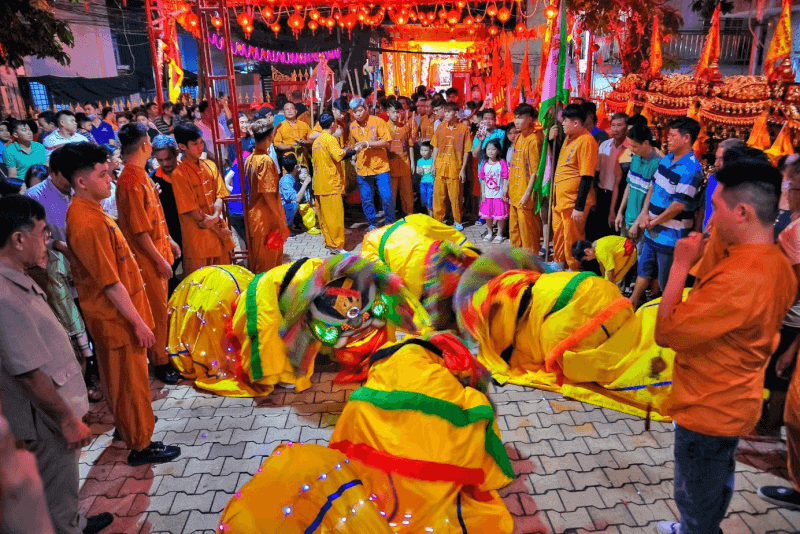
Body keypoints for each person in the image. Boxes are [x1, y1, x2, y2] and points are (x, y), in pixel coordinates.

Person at [654, 160, 795, 534]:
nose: (711, 219)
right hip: (734, 399)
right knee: (713, 481)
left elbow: (667, 332)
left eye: (716, 209)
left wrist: (680, 265)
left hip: (709, 406)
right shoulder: (776, 262)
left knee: (697, 491)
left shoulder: (739, 279)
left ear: (743, 212)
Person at [0, 194, 114, 534]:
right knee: (54, 493)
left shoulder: (20, 277)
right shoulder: (5, 296)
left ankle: (72, 521)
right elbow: (30, 373)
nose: (47, 239)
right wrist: (66, 420)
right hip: (44, 420)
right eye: (41, 232)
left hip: (49, 415)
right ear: (19, 239)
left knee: (63, 487)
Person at [64, 142, 181, 465]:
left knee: (123, 381)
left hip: (117, 316)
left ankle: (127, 430)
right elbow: (110, 282)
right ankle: (140, 445)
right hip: (116, 320)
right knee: (130, 384)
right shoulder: (87, 222)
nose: (109, 181)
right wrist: (139, 323)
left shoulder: (91, 212)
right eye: (102, 175)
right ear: (81, 182)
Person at [115, 124, 182, 385]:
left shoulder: (140, 174)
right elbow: (140, 231)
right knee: (155, 313)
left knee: (161, 309)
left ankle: (162, 353)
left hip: (159, 251)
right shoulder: (131, 181)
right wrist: (159, 259)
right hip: (147, 260)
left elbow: (154, 220)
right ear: (145, 145)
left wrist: (171, 242)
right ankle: (160, 361)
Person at [758, 156, 800, 509]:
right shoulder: (792, 224)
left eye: (792, 186)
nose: (788, 192)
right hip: (784, 319)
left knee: (792, 407)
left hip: (792, 323)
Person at [630, 117, 704, 308]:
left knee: (666, 282)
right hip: (651, 230)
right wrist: (644, 214)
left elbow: (679, 205)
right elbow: (653, 187)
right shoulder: (668, 159)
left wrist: (653, 222)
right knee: (643, 271)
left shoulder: (691, 169)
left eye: (672, 135)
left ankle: (664, 316)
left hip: (671, 236)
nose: (667, 139)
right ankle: (632, 303)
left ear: (686, 138)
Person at [171, 123, 235, 275]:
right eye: (195, 144)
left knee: (225, 281)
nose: (200, 147)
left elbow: (220, 195)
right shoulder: (179, 174)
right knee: (202, 285)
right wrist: (217, 227)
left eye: (201, 143)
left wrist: (214, 217)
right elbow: (192, 211)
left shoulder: (210, 165)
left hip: (218, 233)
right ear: (182, 146)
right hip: (198, 240)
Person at [551, 104, 599, 270]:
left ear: (576, 123)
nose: (562, 123)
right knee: (558, 233)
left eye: (565, 120)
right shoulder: (568, 137)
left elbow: (586, 176)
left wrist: (579, 207)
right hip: (561, 199)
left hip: (573, 202)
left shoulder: (586, 141)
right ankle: (558, 262)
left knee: (573, 237)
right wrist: (552, 141)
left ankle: (573, 268)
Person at [244, 120, 286, 273]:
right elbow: (268, 195)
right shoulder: (265, 161)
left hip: (257, 218)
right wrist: (281, 221)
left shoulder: (250, 159)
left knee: (260, 264)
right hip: (266, 220)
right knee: (269, 268)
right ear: (271, 136)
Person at [313, 113, 359, 252]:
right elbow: (339, 156)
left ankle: (329, 242)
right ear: (332, 124)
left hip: (320, 185)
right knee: (335, 217)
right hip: (330, 184)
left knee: (325, 218)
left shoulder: (317, 141)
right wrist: (355, 150)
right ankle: (337, 245)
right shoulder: (330, 139)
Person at [348, 97, 395, 231]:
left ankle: (390, 223)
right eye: (355, 111)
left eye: (360, 110)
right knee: (367, 199)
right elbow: (352, 145)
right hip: (363, 168)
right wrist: (353, 160)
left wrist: (367, 144)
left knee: (386, 197)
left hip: (380, 167)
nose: (358, 113)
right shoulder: (352, 126)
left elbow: (386, 142)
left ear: (366, 109)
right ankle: (372, 223)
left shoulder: (378, 121)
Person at [614, 124, 661, 245]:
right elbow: (629, 186)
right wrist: (620, 212)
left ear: (645, 143)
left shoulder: (657, 164)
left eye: (633, 146)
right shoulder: (635, 158)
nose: (630, 149)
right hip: (627, 219)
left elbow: (650, 199)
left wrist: (636, 224)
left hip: (642, 226)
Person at [431, 101, 471, 231]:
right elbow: (435, 146)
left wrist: (463, 170)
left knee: (455, 196)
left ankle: (457, 220)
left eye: (448, 112)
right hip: (440, 165)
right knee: (438, 196)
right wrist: (433, 164)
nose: (446, 114)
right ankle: (439, 219)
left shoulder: (463, 129)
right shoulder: (441, 127)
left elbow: (466, 151)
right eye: (445, 111)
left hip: (455, 167)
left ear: (456, 113)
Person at [507, 103, 542, 250]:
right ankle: (516, 259)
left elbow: (535, 171)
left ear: (531, 120)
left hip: (525, 195)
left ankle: (530, 262)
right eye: (516, 118)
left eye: (520, 118)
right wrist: (507, 187)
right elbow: (513, 166)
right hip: (514, 192)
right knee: (514, 230)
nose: (517, 121)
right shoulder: (518, 138)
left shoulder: (534, 140)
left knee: (528, 232)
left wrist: (527, 194)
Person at [150, 135, 183, 287]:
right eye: (160, 160)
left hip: (192, 231)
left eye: (168, 159)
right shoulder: (153, 179)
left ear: (176, 153)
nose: (165, 164)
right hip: (169, 235)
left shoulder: (187, 172)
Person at [590, 112, 628, 241]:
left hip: (619, 196)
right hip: (602, 194)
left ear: (627, 127)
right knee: (598, 231)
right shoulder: (604, 145)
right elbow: (597, 172)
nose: (615, 129)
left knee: (614, 233)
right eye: (613, 125)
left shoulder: (630, 150)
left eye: (619, 125)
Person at [701, 138, 747, 231]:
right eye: (716, 158)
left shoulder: (745, 185)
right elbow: (704, 207)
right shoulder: (713, 178)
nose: (716, 163)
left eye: (720, 159)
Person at [386, 101, 415, 217]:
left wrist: (412, 163)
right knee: (391, 194)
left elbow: (410, 145)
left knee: (407, 193)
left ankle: (409, 215)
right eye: (393, 112)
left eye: (398, 112)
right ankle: (390, 218)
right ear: (388, 113)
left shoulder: (405, 128)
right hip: (390, 165)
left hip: (404, 164)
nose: (396, 115)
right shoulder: (384, 127)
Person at [478, 139, 509, 244]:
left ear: (498, 151)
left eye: (493, 149)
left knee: (500, 215)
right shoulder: (485, 164)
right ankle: (490, 232)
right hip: (488, 195)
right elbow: (483, 179)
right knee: (488, 215)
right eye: (488, 149)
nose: (490, 151)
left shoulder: (501, 163)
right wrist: (483, 193)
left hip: (498, 194)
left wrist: (505, 189)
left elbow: (505, 177)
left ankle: (499, 234)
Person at [572, 236, 637, 284]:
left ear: (587, 252)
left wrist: (609, 286)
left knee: (615, 278)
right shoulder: (596, 245)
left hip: (629, 252)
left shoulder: (600, 251)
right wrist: (604, 280)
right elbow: (601, 265)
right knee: (607, 279)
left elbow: (610, 270)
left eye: (586, 259)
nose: (588, 260)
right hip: (621, 252)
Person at [279, 153, 311, 238]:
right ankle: (285, 229)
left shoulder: (293, 177)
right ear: (296, 167)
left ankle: (297, 225)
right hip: (282, 208)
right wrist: (305, 183)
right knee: (294, 205)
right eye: (298, 164)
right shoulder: (286, 181)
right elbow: (296, 199)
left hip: (285, 206)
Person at [416, 141, 435, 217]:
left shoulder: (433, 161)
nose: (423, 152)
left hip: (431, 183)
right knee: (424, 201)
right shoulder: (419, 161)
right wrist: (419, 171)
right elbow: (418, 172)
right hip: (423, 183)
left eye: (425, 150)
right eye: (421, 150)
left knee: (430, 201)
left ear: (431, 151)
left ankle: (431, 217)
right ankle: (428, 216)